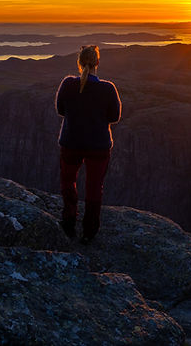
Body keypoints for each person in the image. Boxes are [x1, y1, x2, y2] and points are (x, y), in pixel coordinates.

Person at [55, 45, 121, 244]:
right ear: (97, 63)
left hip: (71, 143)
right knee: (94, 186)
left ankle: (69, 221)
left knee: (68, 181)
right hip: (98, 146)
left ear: (79, 63)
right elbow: (115, 117)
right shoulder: (108, 88)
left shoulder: (67, 84)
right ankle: (89, 231)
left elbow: (60, 110)